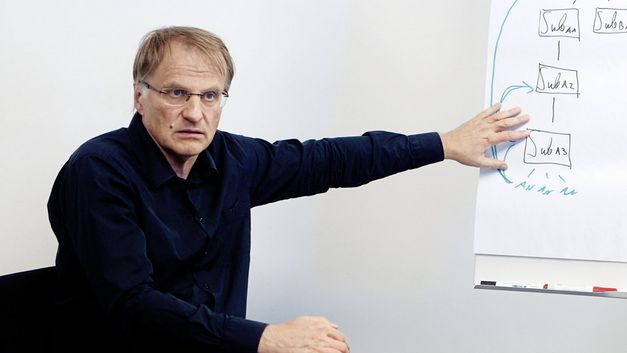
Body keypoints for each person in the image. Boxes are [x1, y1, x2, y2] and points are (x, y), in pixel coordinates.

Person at [47, 26, 528, 352]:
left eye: (210, 96)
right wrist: (266, 338)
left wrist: (444, 144)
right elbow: (133, 307)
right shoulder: (99, 171)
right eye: (176, 93)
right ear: (139, 96)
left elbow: (332, 159)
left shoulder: (232, 159)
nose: (194, 112)